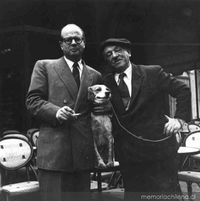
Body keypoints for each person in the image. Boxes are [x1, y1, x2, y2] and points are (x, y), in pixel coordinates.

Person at [99, 38, 191, 200]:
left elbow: (183, 90)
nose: (114, 55)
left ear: (129, 52)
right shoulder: (105, 84)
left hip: (159, 153)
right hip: (130, 157)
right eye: (109, 54)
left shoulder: (152, 72)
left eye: (118, 50)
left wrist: (179, 119)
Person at [26, 24, 102, 201]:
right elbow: (32, 101)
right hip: (55, 155)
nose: (73, 42)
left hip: (82, 153)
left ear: (84, 43)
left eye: (78, 39)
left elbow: (96, 112)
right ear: (61, 45)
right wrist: (56, 112)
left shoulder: (95, 75)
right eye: (68, 39)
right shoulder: (44, 66)